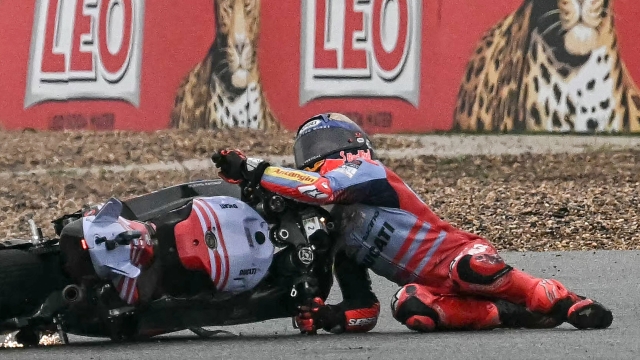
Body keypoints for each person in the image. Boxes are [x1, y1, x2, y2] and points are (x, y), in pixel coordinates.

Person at [210, 112, 613, 334]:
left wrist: (253, 168)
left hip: (463, 253)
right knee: (411, 307)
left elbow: (321, 188)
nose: (317, 153)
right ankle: (507, 313)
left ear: (354, 144)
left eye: (324, 142)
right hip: (434, 286)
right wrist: (330, 315)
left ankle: (564, 301)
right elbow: (364, 310)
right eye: (308, 149)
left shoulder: (368, 172)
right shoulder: (339, 235)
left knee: (472, 268)